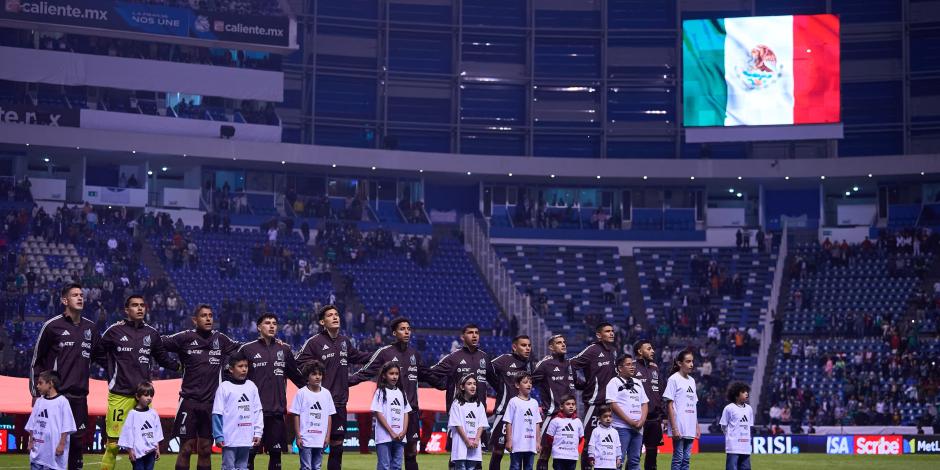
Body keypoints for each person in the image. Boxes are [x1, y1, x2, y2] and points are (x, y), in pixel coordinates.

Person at [97, 295, 179, 470]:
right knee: (113, 446)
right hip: (119, 394)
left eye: (142, 305)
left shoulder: (152, 333)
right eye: (135, 305)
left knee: (146, 446)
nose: (140, 308)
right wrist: (112, 370)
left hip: (143, 397)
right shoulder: (114, 331)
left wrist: (181, 366)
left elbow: (163, 359)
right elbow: (98, 352)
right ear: (126, 310)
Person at [163, 305, 242, 470]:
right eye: (204, 316)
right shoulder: (185, 337)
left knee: (206, 449)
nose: (208, 319)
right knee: (186, 448)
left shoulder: (220, 339)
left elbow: (243, 348)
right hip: (189, 402)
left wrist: (265, 341)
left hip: (212, 404)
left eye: (211, 315)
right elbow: (158, 343)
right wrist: (173, 365)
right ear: (195, 320)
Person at [31, 283, 101, 470]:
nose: (80, 298)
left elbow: (101, 357)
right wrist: (35, 393)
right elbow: (37, 360)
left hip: (79, 397)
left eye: (81, 295)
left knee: (77, 443)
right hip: (56, 397)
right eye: (75, 295)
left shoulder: (91, 329)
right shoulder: (52, 326)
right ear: (64, 300)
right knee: (51, 440)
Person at [296, 305, 371, 470]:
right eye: (330, 315)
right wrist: (309, 390)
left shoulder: (345, 342)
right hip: (318, 404)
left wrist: (381, 354)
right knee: (311, 447)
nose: (335, 317)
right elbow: (296, 364)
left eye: (336, 314)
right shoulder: (314, 342)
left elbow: (359, 356)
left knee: (337, 448)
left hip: (339, 402)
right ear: (323, 322)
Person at [350, 317, 430, 470]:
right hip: (389, 413)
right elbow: (365, 372)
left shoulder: (415, 354)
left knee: (411, 453)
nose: (406, 332)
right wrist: (345, 382)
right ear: (394, 333)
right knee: (386, 458)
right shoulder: (384, 353)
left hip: (410, 411)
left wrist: (446, 382)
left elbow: (428, 375)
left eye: (408, 329)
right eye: (402, 329)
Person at [238, 314, 306, 470]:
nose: (271, 326)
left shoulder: (285, 349)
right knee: (249, 455)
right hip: (253, 413)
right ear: (259, 327)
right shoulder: (247, 349)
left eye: (274, 323)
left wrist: (318, 393)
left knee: (276, 455)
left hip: (276, 411)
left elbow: (297, 377)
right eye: (267, 323)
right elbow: (233, 375)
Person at [570, 322, 617, 470]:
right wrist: (579, 384)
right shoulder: (592, 350)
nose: (611, 333)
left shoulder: (611, 352)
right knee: (590, 441)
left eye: (612, 331)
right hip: (594, 403)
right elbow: (571, 364)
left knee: (605, 442)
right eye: (607, 331)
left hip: (609, 404)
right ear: (599, 335)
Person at [487, 335, 533, 470]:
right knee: (498, 451)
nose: (527, 348)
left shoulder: (529, 364)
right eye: (524, 345)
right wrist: (498, 387)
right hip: (504, 411)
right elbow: (487, 370)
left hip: (523, 416)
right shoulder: (504, 360)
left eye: (529, 345)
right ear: (514, 347)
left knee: (521, 452)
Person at [532, 335, 577, 470]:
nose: (563, 345)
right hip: (552, 415)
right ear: (551, 347)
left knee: (566, 452)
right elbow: (530, 382)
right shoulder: (545, 364)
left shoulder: (569, 364)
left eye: (564, 342)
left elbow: (576, 383)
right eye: (559, 343)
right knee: (545, 451)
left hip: (570, 417)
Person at [213, 352, 264, 470]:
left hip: (246, 437)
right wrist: (218, 436)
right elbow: (217, 413)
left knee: (243, 467)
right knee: (228, 467)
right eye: (240, 366)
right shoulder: (224, 387)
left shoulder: (251, 386)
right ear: (231, 369)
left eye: (246, 366)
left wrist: (258, 432)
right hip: (229, 438)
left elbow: (258, 411)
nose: (244, 369)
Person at [428, 324, 490, 415]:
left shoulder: (485, 357)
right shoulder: (453, 357)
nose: (474, 335)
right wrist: (443, 385)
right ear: (462, 337)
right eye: (470, 333)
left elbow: (495, 381)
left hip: (479, 413)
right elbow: (429, 373)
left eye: (477, 333)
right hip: (457, 412)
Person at [290, 361, 336, 470]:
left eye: (320, 374)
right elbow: (296, 415)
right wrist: (298, 436)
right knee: (306, 467)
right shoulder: (301, 393)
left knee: (317, 467)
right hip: (305, 438)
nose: (317, 377)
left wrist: (327, 436)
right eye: (314, 374)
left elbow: (329, 416)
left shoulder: (326, 394)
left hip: (320, 439)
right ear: (307, 376)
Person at [27, 370, 76, 470]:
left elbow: (67, 426)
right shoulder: (39, 402)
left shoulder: (62, 402)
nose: (37, 386)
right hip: (37, 454)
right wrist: (31, 441)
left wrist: (61, 444)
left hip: (54, 455)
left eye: (40, 383)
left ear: (51, 383)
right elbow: (32, 424)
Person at [606, 354, 648, 470]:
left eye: (633, 364)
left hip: (638, 428)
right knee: (619, 459)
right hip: (621, 427)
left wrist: (641, 422)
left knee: (635, 460)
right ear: (620, 368)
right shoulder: (614, 382)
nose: (632, 367)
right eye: (628, 364)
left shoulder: (638, 382)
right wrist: (630, 421)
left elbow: (644, 403)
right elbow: (612, 404)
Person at [372, 362, 412, 470]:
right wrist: (391, 432)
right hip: (384, 437)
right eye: (391, 373)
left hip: (400, 436)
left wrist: (403, 431)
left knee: (397, 466)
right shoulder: (380, 392)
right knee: (384, 466)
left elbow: (406, 412)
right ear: (384, 375)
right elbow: (378, 413)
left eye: (397, 374)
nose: (394, 376)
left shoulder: (401, 392)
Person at [633, 340, 665, 470]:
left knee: (652, 457)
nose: (653, 351)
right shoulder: (632, 367)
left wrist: (663, 415)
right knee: (634, 456)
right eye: (649, 348)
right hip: (638, 419)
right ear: (640, 352)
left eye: (652, 348)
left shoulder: (655, 368)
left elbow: (660, 392)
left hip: (654, 419)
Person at [664, 350, 699, 470]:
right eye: (688, 361)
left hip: (690, 425)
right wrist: (674, 427)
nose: (691, 364)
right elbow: (669, 404)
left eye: (692, 361)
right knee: (678, 458)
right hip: (679, 424)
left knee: (687, 459)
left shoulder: (692, 381)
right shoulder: (673, 379)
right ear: (679, 363)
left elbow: (693, 405)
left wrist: (696, 426)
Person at [117, 382, 163, 470]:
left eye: (151, 395)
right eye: (146, 395)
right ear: (138, 397)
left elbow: (157, 432)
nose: (149, 398)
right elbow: (128, 433)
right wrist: (130, 450)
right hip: (137, 453)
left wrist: (157, 448)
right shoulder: (132, 414)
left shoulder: (153, 413)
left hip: (151, 452)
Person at [448, 374, 488, 470]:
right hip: (460, 443)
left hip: (475, 443)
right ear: (462, 387)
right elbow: (457, 424)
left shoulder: (479, 404)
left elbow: (482, 424)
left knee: (472, 467)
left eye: (474, 384)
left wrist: (476, 440)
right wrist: (466, 441)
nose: (473, 386)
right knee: (460, 467)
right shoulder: (456, 404)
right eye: (469, 384)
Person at [504, 372, 541, 470]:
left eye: (530, 382)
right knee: (515, 467)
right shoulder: (513, 402)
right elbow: (508, 422)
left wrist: (538, 441)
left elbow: (537, 423)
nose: (529, 384)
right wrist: (509, 440)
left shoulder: (534, 403)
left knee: (529, 467)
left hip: (530, 444)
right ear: (517, 385)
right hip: (517, 444)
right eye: (525, 382)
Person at [539, 395, 583, 470]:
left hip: (572, 456)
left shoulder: (578, 421)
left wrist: (574, 449)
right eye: (568, 404)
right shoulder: (555, 421)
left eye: (573, 404)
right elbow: (549, 438)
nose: (571, 406)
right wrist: (557, 447)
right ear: (561, 407)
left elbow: (581, 438)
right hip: (558, 456)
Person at [720, 382, 754, 470]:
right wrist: (730, 436)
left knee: (746, 468)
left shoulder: (749, 409)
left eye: (747, 391)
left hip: (745, 446)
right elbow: (723, 426)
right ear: (736, 395)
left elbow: (749, 427)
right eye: (743, 392)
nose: (746, 393)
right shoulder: (729, 408)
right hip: (733, 446)